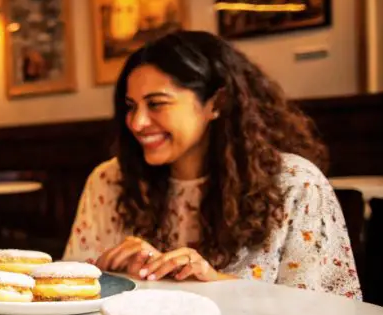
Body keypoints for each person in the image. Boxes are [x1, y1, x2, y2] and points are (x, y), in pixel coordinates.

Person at [64, 30, 360, 299]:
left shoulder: (295, 184)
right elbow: (64, 295)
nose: (137, 123)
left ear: (215, 104)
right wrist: (107, 275)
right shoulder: (109, 180)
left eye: (156, 103)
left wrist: (216, 281)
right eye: (131, 107)